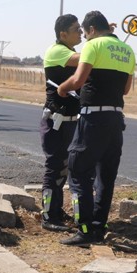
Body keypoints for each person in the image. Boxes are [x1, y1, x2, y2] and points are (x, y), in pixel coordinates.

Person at [56, 10, 135, 246]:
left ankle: (84, 230)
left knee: (79, 172)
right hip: (115, 120)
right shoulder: (127, 50)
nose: (84, 36)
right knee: (106, 177)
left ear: (91, 30)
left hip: (93, 119)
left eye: (84, 32)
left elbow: (78, 80)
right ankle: (99, 227)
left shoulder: (93, 45)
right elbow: (125, 90)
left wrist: (62, 87)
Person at [40, 14, 82, 232]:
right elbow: (86, 60)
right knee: (55, 167)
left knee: (64, 168)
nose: (81, 32)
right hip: (56, 121)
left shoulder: (71, 53)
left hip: (70, 121)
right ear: (62, 34)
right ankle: (48, 216)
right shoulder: (57, 51)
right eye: (77, 29)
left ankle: (56, 209)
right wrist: (102, 42)